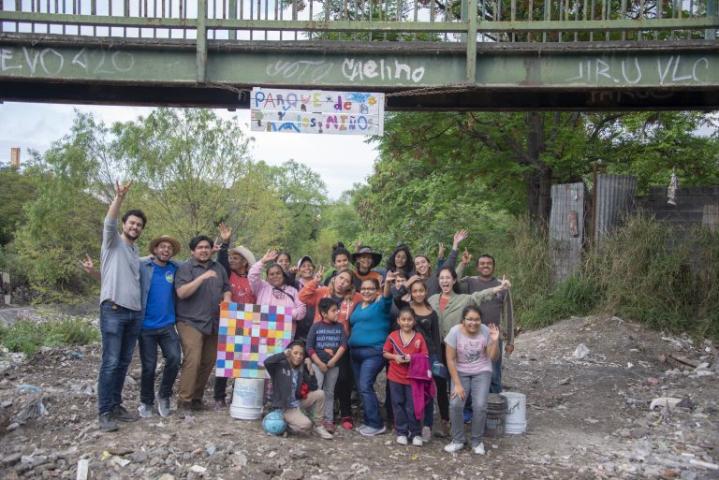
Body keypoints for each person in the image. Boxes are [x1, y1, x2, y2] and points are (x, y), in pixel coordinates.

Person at [97, 180, 146, 432]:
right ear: (125, 225)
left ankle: (116, 405)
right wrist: (118, 198)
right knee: (111, 361)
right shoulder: (113, 241)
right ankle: (105, 411)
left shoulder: (135, 250)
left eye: (139, 225)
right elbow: (109, 222)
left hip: (133, 314)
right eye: (131, 223)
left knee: (124, 362)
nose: (135, 227)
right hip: (114, 310)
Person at [300, 267, 362, 430]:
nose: (343, 282)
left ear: (350, 285)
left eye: (347, 280)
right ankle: (314, 415)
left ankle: (345, 414)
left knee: (343, 380)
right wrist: (315, 281)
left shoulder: (354, 298)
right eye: (341, 278)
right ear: (335, 278)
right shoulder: (322, 292)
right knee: (317, 382)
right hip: (318, 345)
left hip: (340, 347)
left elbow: (370, 298)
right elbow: (303, 297)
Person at [174, 235, 232, 411]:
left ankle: (196, 398)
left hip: (213, 321)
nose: (204, 250)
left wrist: (227, 300)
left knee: (209, 360)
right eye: (200, 247)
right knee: (193, 359)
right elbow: (182, 293)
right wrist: (202, 278)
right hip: (189, 321)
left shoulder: (219, 267)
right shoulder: (185, 268)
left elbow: (226, 288)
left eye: (207, 247)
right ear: (193, 251)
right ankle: (184, 401)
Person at [393, 277, 445, 440]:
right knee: (411, 392)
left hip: (428, 356)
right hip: (410, 356)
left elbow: (436, 337)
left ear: (426, 292)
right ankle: (410, 426)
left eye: (421, 290)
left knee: (427, 391)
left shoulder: (432, 312)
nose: (418, 293)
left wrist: (438, 359)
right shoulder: (407, 309)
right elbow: (396, 297)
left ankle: (427, 425)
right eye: (414, 291)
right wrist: (410, 282)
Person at [443, 306, 500, 455]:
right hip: (460, 371)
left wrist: (494, 341)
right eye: (469, 319)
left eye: (476, 319)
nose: (473, 323)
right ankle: (458, 440)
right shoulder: (455, 332)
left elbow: (492, 357)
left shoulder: (486, 331)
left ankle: (477, 441)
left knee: (480, 405)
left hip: (482, 370)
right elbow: (450, 359)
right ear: (463, 320)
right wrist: (457, 384)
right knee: (456, 403)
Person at [137, 235, 183, 419]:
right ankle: (146, 401)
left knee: (174, 358)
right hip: (145, 326)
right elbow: (130, 262)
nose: (165, 250)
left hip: (167, 325)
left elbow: (190, 263)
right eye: (162, 247)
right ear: (154, 249)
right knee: (148, 366)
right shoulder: (144, 266)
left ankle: (164, 395)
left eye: (169, 248)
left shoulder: (175, 268)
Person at [458, 254, 514, 394]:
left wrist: (510, 340)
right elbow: (451, 282)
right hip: (471, 335)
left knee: (494, 374)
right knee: (471, 371)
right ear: (477, 267)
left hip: (493, 335)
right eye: (482, 263)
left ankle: (494, 406)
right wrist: (463, 264)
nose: (485, 266)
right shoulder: (470, 282)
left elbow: (508, 312)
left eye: (489, 263)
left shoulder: (502, 285)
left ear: (493, 267)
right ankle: (475, 406)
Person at [214, 222, 256, 409]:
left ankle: (238, 395)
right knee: (225, 358)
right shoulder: (227, 274)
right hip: (228, 322)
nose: (232, 260)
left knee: (244, 361)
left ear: (245, 262)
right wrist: (225, 243)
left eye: (236, 258)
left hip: (249, 323)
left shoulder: (253, 280)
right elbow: (222, 260)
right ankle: (219, 396)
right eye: (231, 257)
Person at [349, 271, 396, 436]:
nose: (366, 291)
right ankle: (369, 420)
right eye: (363, 288)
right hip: (355, 353)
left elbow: (387, 297)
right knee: (362, 388)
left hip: (373, 352)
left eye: (370, 288)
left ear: (377, 291)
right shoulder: (358, 306)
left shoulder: (380, 304)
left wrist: (388, 284)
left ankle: (377, 424)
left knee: (365, 385)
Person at [263, 341, 334, 439]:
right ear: (289, 353)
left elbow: (313, 387)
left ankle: (319, 426)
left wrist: (310, 370)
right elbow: (267, 362)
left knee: (320, 393)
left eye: (301, 354)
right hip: (285, 407)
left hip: (298, 401)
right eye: (295, 353)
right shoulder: (280, 366)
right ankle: (286, 426)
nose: (298, 356)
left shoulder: (301, 368)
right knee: (307, 425)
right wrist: (283, 354)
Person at [383, 308, 428, 446]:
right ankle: (401, 431)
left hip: (412, 378)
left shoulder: (419, 337)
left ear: (414, 321)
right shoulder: (393, 336)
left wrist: (412, 358)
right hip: (395, 377)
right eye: (403, 319)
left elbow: (425, 356)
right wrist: (395, 357)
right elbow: (385, 352)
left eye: (409, 320)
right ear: (398, 321)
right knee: (397, 404)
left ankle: (416, 433)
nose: (406, 322)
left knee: (413, 405)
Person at [306, 298, 348, 433]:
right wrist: (319, 363)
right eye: (334, 311)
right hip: (318, 365)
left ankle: (328, 420)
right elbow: (309, 347)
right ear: (324, 313)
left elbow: (343, 345)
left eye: (338, 310)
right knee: (318, 392)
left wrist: (333, 361)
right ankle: (315, 419)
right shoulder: (316, 327)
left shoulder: (340, 327)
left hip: (333, 366)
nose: (338, 313)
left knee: (330, 392)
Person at [248, 250, 307, 331]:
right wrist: (263, 261)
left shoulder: (292, 291)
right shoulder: (261, 287)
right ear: (267, 277)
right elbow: (252, 275)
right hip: (262, 333)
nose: (275, 276)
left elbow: (302, 310)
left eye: (278, 273)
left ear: (283, 275)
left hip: (285, 335)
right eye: (272, 274)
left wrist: (284, 313)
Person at [413, 230, 468, 297]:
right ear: (415, 267)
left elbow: (449, 262)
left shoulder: (436, 276)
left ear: (429, 264)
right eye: (417, 264)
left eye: (423, 262)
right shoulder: (413, 281)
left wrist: (455, 244)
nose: (421, 265)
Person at [291, 255, 316, 341]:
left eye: (309, 265)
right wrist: (291, 274)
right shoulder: (295, 284)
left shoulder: (320, 285)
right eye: (303, 266)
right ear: (299, 270)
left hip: (315, 326)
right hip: (298, 327)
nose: (307, 268)